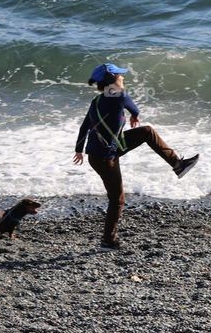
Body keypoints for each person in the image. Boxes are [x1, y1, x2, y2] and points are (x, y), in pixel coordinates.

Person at [73, 63, 198, 249]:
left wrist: (79, 150)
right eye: (120, 76)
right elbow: (135, 109)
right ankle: (108, 240)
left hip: (99, 152)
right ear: (113, 79)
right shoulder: (119, 95)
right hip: (106, 156)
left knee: (147, 131)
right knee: (118, 200)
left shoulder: (97, 101)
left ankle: (178, 164)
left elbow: (85, 127)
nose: (123, 78)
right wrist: (133, 115)